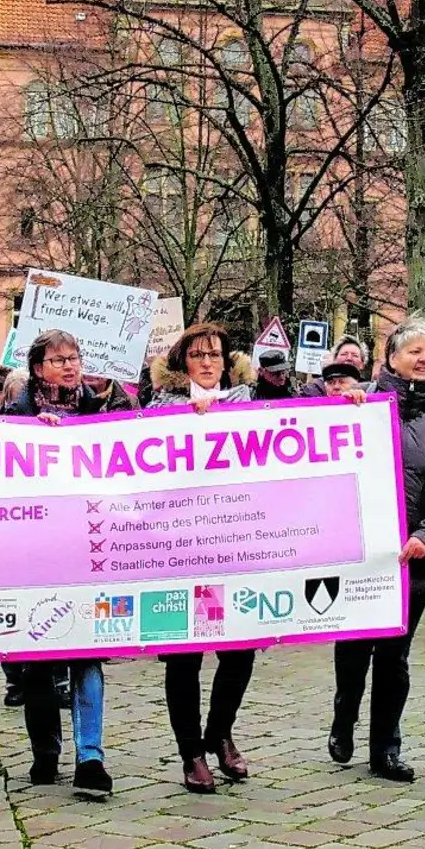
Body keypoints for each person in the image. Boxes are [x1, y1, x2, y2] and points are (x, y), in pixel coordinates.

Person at [329, 316, 425, 784]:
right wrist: (341, 408)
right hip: (361, 551)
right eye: (414, 351)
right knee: (353, 650)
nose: (424, 359)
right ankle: (344, 716)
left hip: (416, 554)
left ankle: (386, 748)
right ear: (391, 357)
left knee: (395, 655)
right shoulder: (363, 402)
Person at [0, 330, 117, 796]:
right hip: (33, 552)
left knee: (87, 654)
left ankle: (91, 758)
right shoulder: (15, 415)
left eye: (74, 357)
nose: (69, 365)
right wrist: (12, 429)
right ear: (38, 368)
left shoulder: (100, 411)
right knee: (38, 660)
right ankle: (46, 751)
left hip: (88, 548)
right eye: (58, 359)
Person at [146, 323, 259, 794]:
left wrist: (353, 401)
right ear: (182, 363)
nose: (208, 362)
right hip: (180, 551)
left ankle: (219, 733)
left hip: (233, 546)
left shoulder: (251, 406)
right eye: (197, 355)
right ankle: (191, 751)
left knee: (240, 648)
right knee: (185, 655)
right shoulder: (159, 411)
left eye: (215, 354)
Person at [301, 336, 366, 397]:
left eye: (355, 355)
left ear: (362, 364)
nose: (349, 358)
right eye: (344, 354)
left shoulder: (370, 389)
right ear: (334, 359)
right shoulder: (317, 387)